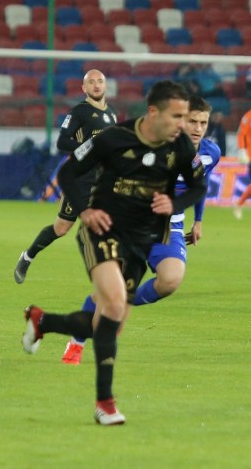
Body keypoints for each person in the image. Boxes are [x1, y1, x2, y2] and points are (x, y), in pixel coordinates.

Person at [21, 80, 206, 425]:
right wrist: (85, 210)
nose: (184, 124)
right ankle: (105, 403)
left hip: (141, 240)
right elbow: (69, 172)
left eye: (187, 116)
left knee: (108, 322)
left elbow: (198, 185)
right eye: (177, 116)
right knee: (116, 304)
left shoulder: (179, 147)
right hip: (102, 230)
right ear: (153, 112)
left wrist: (176, 202)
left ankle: (42, 321)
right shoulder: (112, 139)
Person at [60, 95, 222, 364]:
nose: (197, 128)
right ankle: (77, 340)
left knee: (170, 280)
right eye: (192, 121)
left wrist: (199, 219)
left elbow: (199, 185)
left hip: (170, 228)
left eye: (203, 123)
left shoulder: (210, 153)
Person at [14, 69, 117, 283]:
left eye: (100, 81)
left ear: (105, 86)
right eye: (91, 82)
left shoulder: (112, 114)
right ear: (84, 88)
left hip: (103, 181)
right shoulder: (79, 112)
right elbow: (62, 142)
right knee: (61, 228)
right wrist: (88, 146)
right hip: (80, 180)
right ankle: (27, 256)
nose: (96, 85)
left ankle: (113, 274)